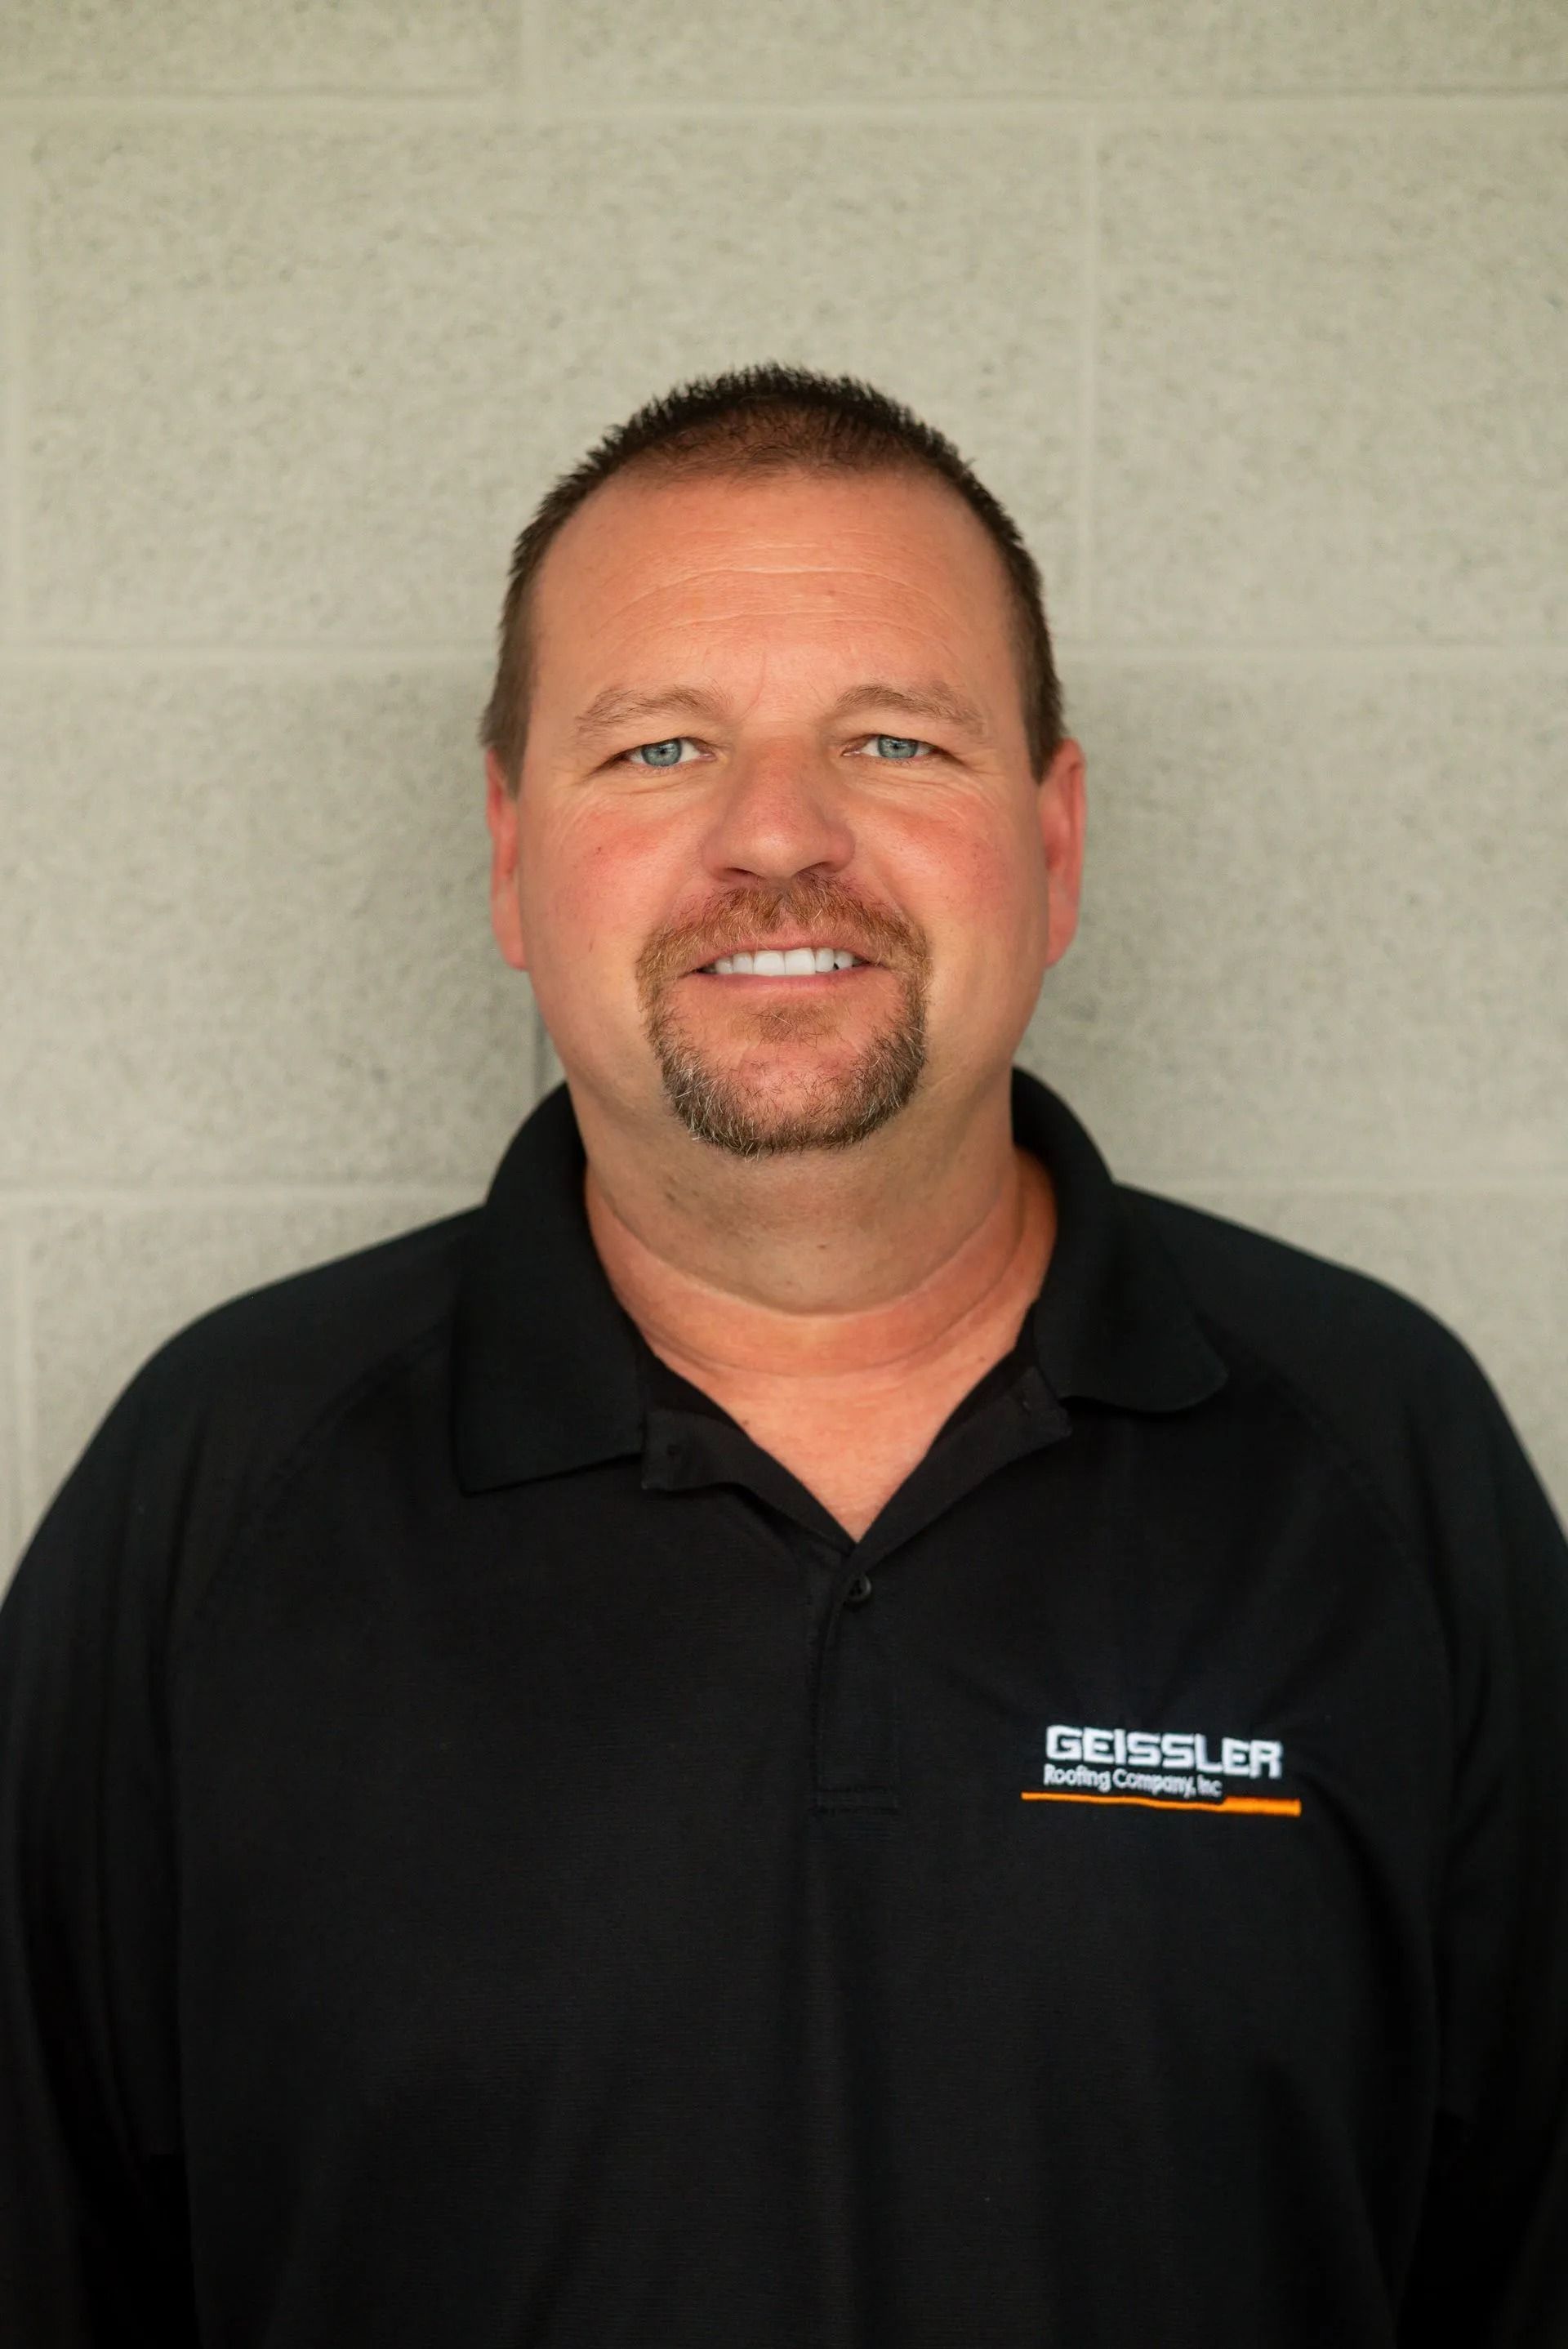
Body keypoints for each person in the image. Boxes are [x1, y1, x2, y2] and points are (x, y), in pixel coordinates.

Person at [2, 364, 1564, 2348]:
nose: (777, 838)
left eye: (896, 740)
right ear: (506, 855)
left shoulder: (1382, 1462)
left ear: (1056, 843)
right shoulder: (216, 1493)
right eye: (659, 749)